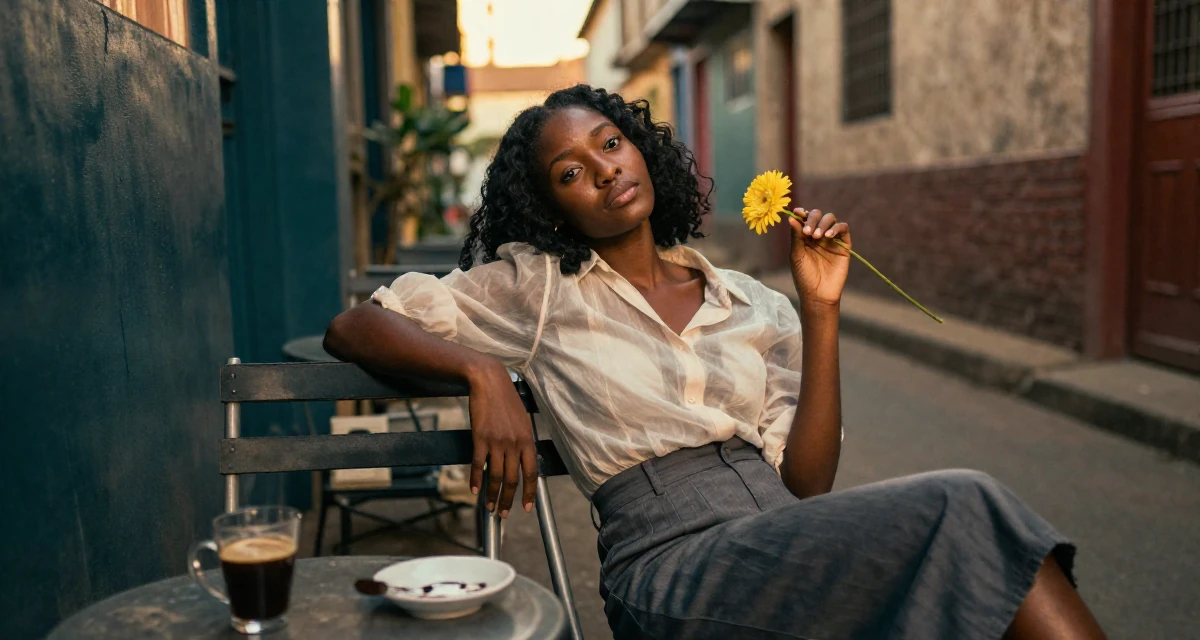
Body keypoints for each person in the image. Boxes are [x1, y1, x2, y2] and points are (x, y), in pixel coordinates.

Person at [324, 85, 1106, 639]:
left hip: (786, 539)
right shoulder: (539, 288)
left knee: (980, 558)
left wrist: (821, 310)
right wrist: (484, 373)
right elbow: (356, 327)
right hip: (668, 568)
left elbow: (805, 483)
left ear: (639, 149)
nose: (601, 170)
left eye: (609, 142)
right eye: (570, 172)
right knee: (965, 507)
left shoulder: (751, 303)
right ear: (551, 207)